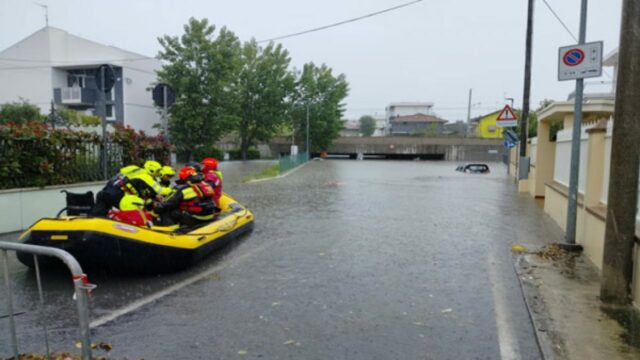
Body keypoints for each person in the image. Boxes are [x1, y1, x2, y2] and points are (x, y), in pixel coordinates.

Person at [91, 160, 163, 216]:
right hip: (118, 194)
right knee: (135, 206)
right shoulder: (145, 176)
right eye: (158, 171)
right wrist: (156, 198)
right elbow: (157, 191)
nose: (158, 174)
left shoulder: (134, 170)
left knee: (100, 215)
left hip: (105, 191)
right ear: (152, 170)